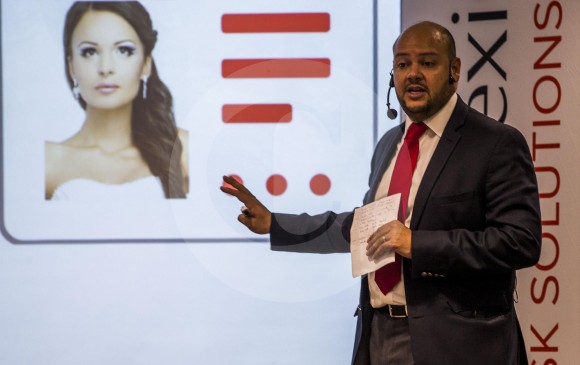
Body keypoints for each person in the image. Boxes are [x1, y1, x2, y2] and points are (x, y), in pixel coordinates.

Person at [221, 20, 541, 365]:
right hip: (379, 335)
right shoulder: (390, 144)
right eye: (403, 64)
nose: (413, 74)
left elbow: (519, 241)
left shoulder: (494, 143)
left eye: (428, 63)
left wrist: (415, 243)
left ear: (454, 70)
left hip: (459, 344)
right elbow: (365, 231)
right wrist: (275, 224)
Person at [45, 1, 188, 200]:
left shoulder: (179, 148)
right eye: (90, 52)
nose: (105, 68)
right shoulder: (50, 161)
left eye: (123, 51)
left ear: (146, 64)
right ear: (71, 66)